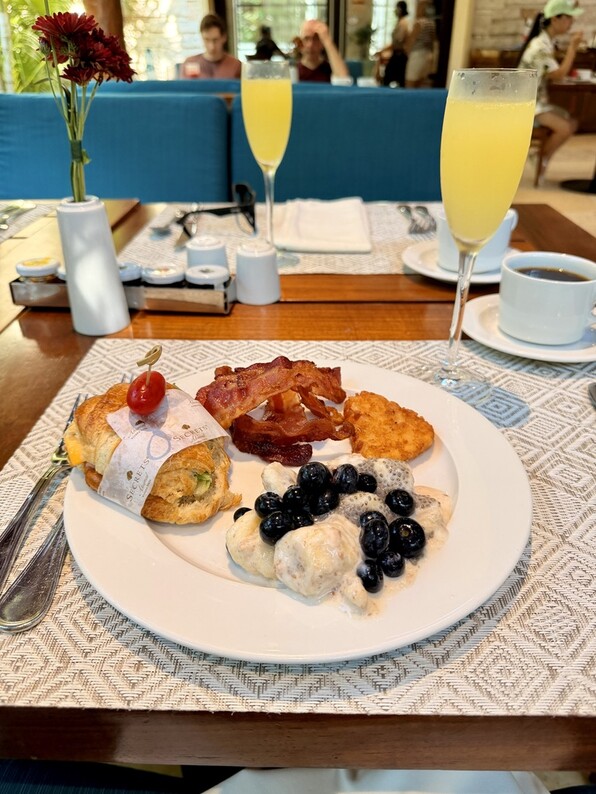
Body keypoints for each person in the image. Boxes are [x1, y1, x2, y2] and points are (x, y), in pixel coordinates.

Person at [518, 0, 585, 181]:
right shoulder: (539, 46)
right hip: (528, 104)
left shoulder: (546, 42)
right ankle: (541, 158)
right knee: (565, 127)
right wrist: (572, 48)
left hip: (538, 101)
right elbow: (558, 74)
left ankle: (541, 157)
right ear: (555, 19)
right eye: (568, 18)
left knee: (572, 122)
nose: (571, 22)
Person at [182, 14, 241, 80]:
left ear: (224, 38)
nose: (211, 46)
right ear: (201, 37)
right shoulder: (190, 64)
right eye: (207, 40)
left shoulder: (235, 65)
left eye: (215, 40)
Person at [404, 0, 437, 88]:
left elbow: (411, 40)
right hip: (427, 56)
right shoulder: (432, 23)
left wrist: (407, 53)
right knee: (420, 84)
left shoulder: (419, 23)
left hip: (416, 55)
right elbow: (433, 42)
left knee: (410, 84)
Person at [377, 1, 410, 87]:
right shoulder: (399, 22)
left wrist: (383, 50)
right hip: (396, 54)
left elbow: (398, 41)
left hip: (399, 55)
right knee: (390, 77)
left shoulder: (403, 23)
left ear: (400, 9)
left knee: (390, 77)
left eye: (397, 8)